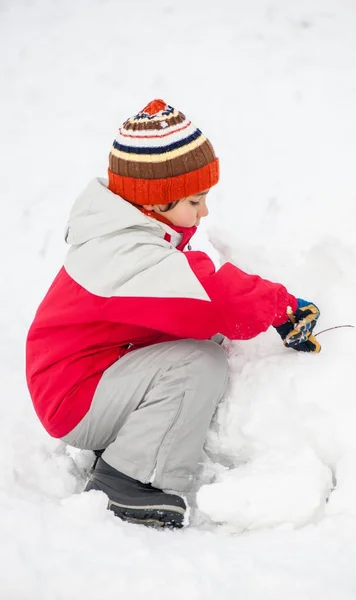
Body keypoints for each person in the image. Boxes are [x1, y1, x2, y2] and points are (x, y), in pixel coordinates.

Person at [25, 99, 320, 529]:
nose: (204, 212)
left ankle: (133, 441)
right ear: (154, 203)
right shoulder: (125, 252)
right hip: (76, 397)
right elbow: (211, 296)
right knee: (197, 364)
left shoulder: (126, 235)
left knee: (197, 346)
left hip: (95, 375)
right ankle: (127, 482)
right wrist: (282, 307)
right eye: (195, 200)